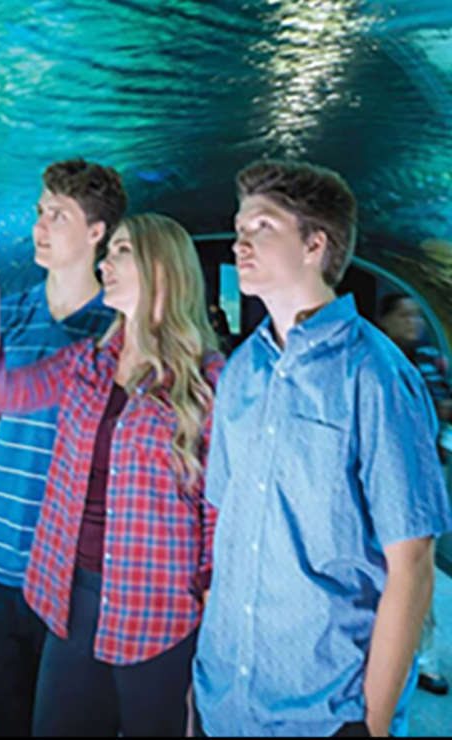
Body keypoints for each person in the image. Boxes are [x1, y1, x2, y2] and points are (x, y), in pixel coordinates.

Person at [193, 159, 452, 737]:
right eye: (238, 228)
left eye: (261, 227)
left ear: (315, 245)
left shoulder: (376, 376)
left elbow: (411, 566)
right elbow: (227, 528)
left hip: (323, 713)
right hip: (225, 700)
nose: (239, 242)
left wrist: (372, 725)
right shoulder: (240, 372)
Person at [0, 212, 224, 737]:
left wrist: (212, 622)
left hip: (159, 610)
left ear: (163, 269)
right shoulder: (86, 364)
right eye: (110, 250)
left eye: (122, 251)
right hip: (68, 602)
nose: (106, 262)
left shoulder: (210, 382)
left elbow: (217, 510)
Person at [0, 158, 127, 736]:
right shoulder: (11, 313)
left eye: (59, 216)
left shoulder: (119, 329)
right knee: (8, 716)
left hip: (69, 576)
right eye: (40, 212)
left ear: (97, 233)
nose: (40, 227)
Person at [378, 291, 452, 696]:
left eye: (416, 316)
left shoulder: (428, 361)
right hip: (386, 478)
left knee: (417, 566)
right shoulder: (374, 360)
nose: (414, 324)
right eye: (404, 316)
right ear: (385, 320)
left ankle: (421, 659)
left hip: (424, 476)